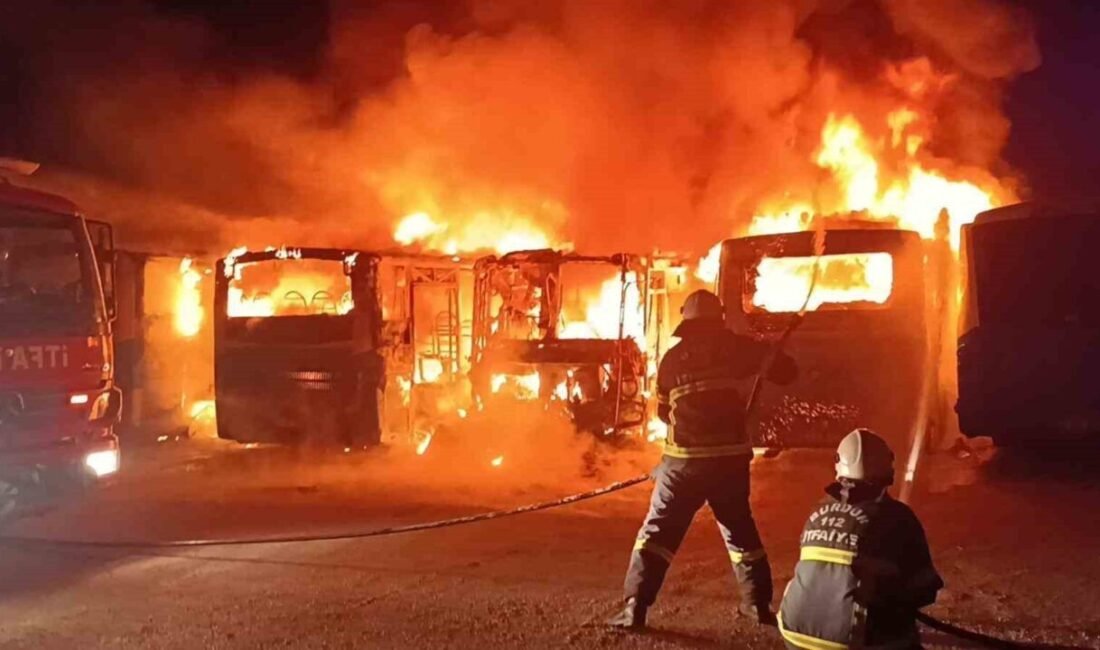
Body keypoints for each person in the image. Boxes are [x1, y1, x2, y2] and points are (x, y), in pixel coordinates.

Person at [608, 289, 796, 629]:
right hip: (728, 464)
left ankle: (635, 607)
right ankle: (757, 605)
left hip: (682, 464)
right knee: (740, 532)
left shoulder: (671, 359)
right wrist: (773, 351)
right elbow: (787, 373)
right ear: (719, 317)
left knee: (658, 532)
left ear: (686, 320)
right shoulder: (737, 348)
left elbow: (665, 413)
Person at [778, 428, 944, 650]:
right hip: (849, 641)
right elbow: (924, 589)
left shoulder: (819, 509)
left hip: (794, 634)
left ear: (838, 466)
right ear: (888, 469)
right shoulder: (898, 516)